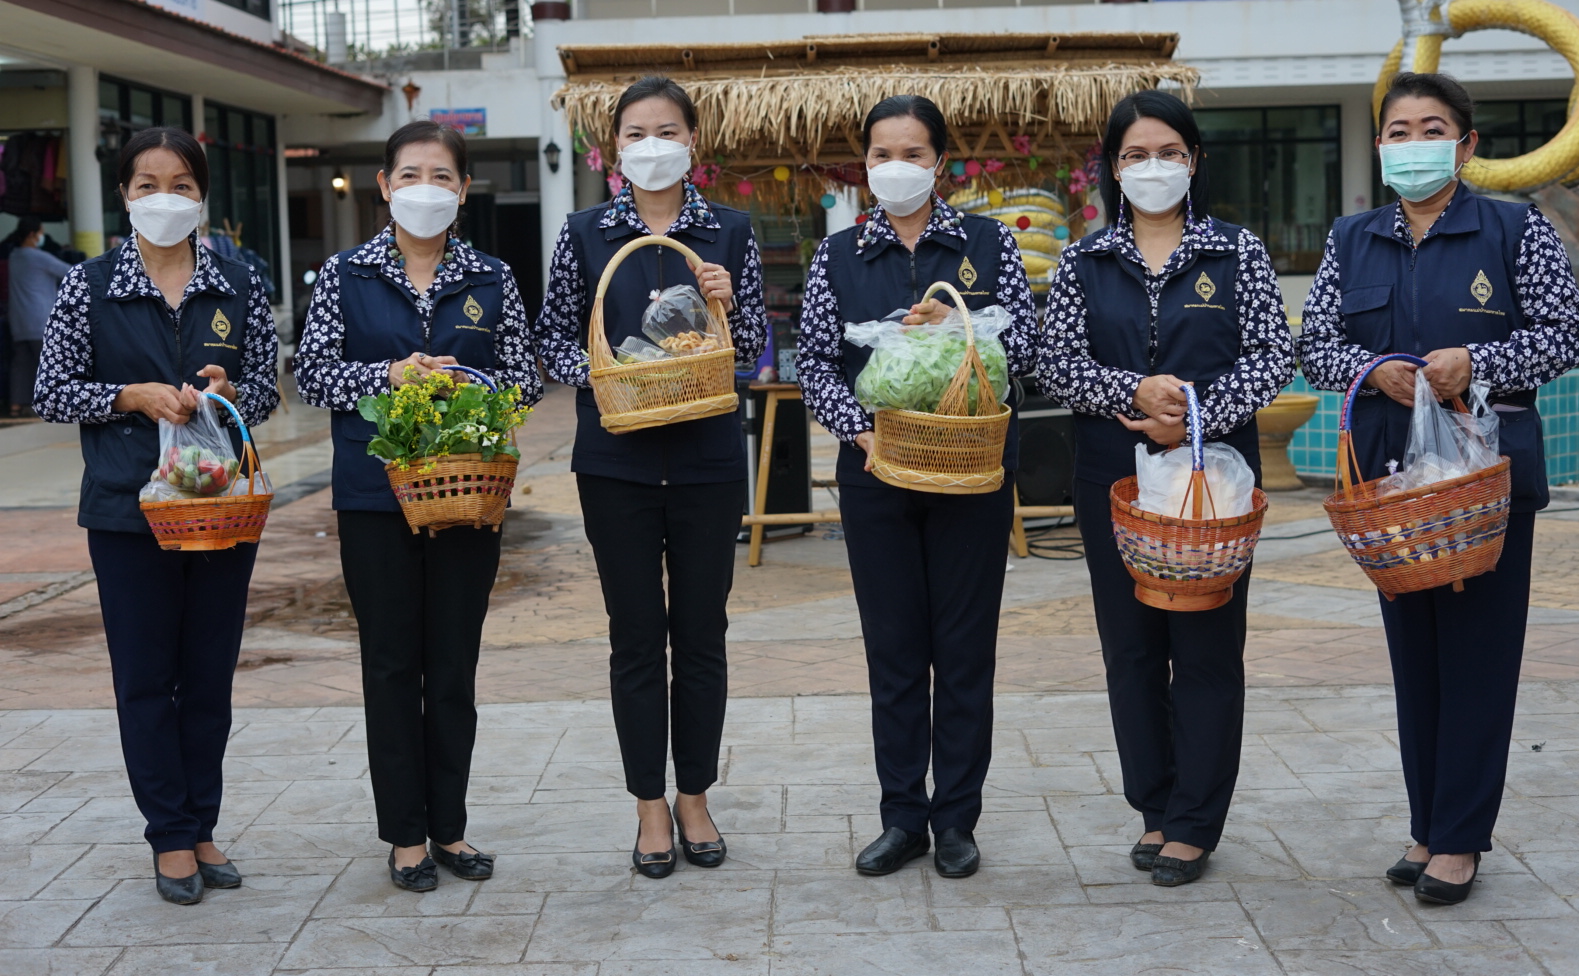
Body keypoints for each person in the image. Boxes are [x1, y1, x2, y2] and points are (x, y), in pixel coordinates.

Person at [1302, 71, 1579, 905]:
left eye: (1433, 129)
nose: (1414, 144)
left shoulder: (1513, 230)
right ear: (1380, 146)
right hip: (1393, 486)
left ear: (1465, 146)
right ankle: (1428, 825)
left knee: (1479, 658)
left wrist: (1479, 363)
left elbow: (1565, 334)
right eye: (1399, 131)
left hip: (1483, 483)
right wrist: (1372, 369)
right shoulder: (1351, 238)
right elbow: (1315, 344)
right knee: (1416, 659)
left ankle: (1460, 839)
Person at [1038, 90, 1292, 887]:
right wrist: (1133, 391)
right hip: (1112, 476)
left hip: (1213, 478)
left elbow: (1272, 354)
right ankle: (1154, 803)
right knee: (1132, 648)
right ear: (1113, 169)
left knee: (1207, 644)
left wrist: (1193, 413)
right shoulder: (1084, 261)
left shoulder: (1236, 253)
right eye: (1136, 155)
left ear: (1194, 160)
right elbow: (1055, 362)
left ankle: (1194, 821)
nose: (1154, 167)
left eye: (1169, 153)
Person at [33, 127, 280, 904]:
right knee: (146, 678)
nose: (164, 199)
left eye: (180, 185)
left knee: (208, 677)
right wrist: (128, 396)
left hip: (220, 509)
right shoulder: (89, 285)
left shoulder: (238, 281)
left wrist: (232, 393)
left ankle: (202, 824)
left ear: (202, 196)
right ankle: (169, 834)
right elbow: (50, 390)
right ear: (124, 195)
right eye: (147, 185)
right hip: (126, 511)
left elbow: (267, 389)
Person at [295, 121, 540, 892]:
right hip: (375, 498)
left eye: (440, 176)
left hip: (467, 495)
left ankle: (451, 828)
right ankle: (405, 833)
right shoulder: (345, 274)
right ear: (384, 185)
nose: (424, 189)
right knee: (392, 663)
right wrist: (390, 376)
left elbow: (526, 379)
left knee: (454, 665)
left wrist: (465, 383)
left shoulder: (491, 277)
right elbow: (313, 376)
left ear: (463, 189)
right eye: (409, 175)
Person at [797, 95, 1037, 879]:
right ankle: (902, 817)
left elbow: (1025, 348)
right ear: (864, 164)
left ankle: (957, 819)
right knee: (894, 652)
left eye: (912, 153)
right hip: (877, 473)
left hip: (973, 471)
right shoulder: (838, 255)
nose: (895, 167)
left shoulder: (987, 243)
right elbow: (816, 363)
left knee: (964, 651)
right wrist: (859, 430)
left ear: (940, 162)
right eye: (881, 154)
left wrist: (963, 332)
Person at [535, 76, 766, 878]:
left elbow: (755, 349)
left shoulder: (729, 231)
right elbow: (553, 340)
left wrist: (729, 307)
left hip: (707, 461)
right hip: (617, 464)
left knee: (702, 634)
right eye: (636, 133)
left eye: (667, 131)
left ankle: (695, 795)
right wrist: (610, 374)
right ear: (614, 148)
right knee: (635, 638)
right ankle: (648, 806)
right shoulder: (584, 232)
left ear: (692, 142)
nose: (652, 145)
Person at [5, 217, 72, 416]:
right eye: (41, 233)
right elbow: (71, 272)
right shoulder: (38, 257)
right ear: (32, 235)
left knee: (21, 364)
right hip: (40, 319)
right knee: (50, 364)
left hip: (19, 321)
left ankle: (16, 405)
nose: (43, 236)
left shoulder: (14, 256)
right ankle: (52, 404)